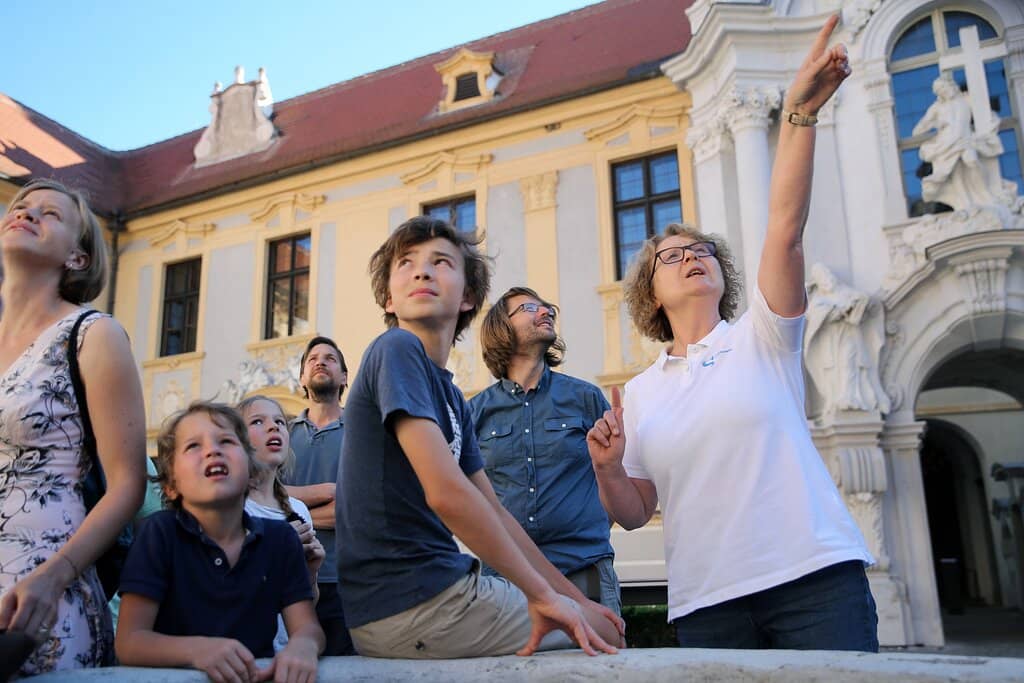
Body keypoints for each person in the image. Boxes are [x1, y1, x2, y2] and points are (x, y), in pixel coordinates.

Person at [587, 16, 879, 651]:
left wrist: (799, 118)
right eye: (672, 255)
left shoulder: (763, 337)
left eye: (704, 252)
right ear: (651, 294)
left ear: (722, 276)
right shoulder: (638, 393)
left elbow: (784, 228)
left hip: (814, 582)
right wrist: (608, 469)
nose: (692, 257)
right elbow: (635, 512)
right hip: (706, 603)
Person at [335, 216, 624, 659]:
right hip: (410, 602)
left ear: (468, 295)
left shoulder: (451, 395)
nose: (422, 270)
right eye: (406, 262)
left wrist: (576, 599)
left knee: (596, 622)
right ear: (389, 298)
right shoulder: (396, 348)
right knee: (602, 642)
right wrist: (546, 599)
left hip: (439, 593)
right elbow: (447, 495)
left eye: (441, 262)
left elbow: (496, 511)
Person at [0, 179, 146, 675]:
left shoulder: (92, 333)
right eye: (21, 207)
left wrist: (56, 575)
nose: (28, 213)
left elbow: (127, 485)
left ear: (78, 258)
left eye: (50, 214)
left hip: (36, 598)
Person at [115, 401, 324, 682]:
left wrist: (303, 646)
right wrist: (197, 650)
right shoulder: (159, 535)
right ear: (171, 486)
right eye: (193, 446)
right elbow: (130, 642)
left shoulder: (281, 538)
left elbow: (307, 627)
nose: (213, 450)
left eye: (226, 441)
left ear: (250, 467)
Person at [470, 287, 620, 614]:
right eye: (528, 308)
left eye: (546, 307)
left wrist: (587, 522)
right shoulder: (476, 412)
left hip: (583, 566)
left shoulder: (585, 398)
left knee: (600, 665)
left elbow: (614, 473)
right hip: (507, 579)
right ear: (501, 328)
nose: (545, 312)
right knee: (512, 667)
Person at [283, 335, 354, 655]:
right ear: (301, 377)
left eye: (330, 358)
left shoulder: (361, 431)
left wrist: (287, 511)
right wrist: (325, 494)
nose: (320, 361)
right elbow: (258, 496)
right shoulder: (282, 434)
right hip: (287, 581)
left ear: (343, 377)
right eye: (312, 358)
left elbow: (358, 508)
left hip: (347, 581)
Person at [239, 394, 326, 652]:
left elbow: (307, 605)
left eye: (279, 421)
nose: (273, 426)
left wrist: (311, 573)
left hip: (286, 655)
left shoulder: (298, 510)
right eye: (257, 422)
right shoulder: (231, 507)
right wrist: (277, 551)